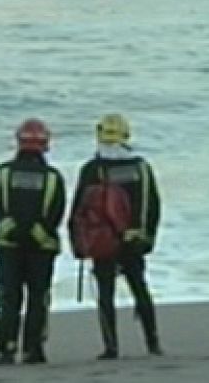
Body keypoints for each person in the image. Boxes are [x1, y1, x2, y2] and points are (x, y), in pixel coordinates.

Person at [70, 112, 163, 360]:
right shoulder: (140, 167)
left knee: (105, 294)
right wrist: (147, 237)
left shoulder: (91, 169)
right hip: (133, 238)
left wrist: (78, 245)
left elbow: (79, 210)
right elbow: (151, 204)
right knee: (139, 288)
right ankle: (153, 343)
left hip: (103, 241)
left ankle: (111, 348)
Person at [0, 117, 67, 366]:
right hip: (42, 247)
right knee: (38, 297)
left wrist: (9, 228)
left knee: (9, 296)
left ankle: (6, 346)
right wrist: (38, 232)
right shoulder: (53, 177)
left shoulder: (3, 172)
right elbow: (57, 211)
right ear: (45, 145)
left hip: (9, 245)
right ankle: (33, 349)